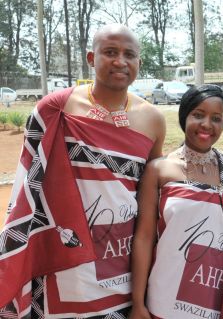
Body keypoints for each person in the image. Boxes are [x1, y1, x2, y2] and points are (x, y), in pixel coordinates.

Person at [0, 24, 166, 317]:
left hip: (122, 259)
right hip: (64, 257)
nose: (120, 61)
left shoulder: (153, 120)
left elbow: (150, 195)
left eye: (130, 54)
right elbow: (28, 187)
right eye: (110, 52)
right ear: (91, 57)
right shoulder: (55, 109)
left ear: (139, 62)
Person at [130, 84, 223, 319]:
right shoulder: (159, 170)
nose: (206, 125)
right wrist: (138, 302)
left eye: (216, 118)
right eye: (198, 115)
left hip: (217, 295)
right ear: (184, 117)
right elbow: (144, 237)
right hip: (166, 298)